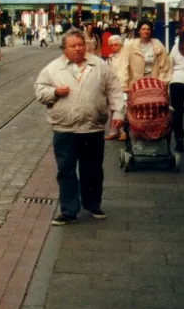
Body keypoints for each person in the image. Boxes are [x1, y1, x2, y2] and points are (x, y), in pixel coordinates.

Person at [35, 29, 125, 226]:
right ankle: (68, 211)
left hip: (92, 128)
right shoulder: (52, 69)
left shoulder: (99, 65)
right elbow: (40, 91)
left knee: (92, 169)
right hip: (64, 129)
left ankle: (93, 204)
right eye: (73, 46)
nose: (78, 49)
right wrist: (54, 92)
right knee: (66, 170)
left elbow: (115, 90)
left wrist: (118, 113)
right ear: (63, 49)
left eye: (80, 44)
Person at [118, 18, 172, 91]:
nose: (146, 31)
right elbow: (124, 66)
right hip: (136, 84)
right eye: (143, 29)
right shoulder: (131, 46)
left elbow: (166, 66)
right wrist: (123, 84)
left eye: (148, 29)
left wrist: (162, 82)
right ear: (139, 31)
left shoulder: (158, 45)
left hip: (154, 84)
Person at [104, 35, 128, 141]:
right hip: (112, 86)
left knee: (122, 108)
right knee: (112, 108)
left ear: (120, 44)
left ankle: (123, 132)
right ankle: (113, 132)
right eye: (111, 45)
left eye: (116, 44)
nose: (114, 46)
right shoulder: (110, 57)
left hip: (124, 85)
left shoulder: (126, 55)